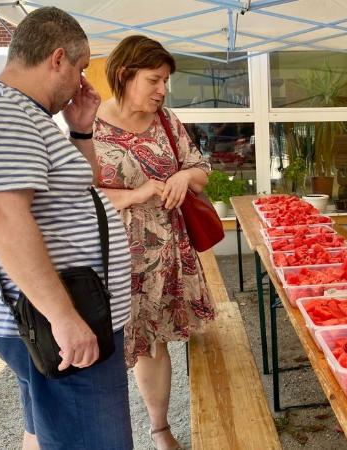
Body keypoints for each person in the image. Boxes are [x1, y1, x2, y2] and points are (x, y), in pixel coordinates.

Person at [0, 7, 133, 450]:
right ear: (57, 59)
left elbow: (79, 190)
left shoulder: (21, 114)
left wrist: (81, 131)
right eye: (82, 68)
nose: (82, 83)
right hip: (59, 317)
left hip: (61, 311)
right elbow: (4, 218)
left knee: (46, 430)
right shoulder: (0, 114)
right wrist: (64, 318)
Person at [93, 35, 215, 450]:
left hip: (168, 256)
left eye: (166, 81)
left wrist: (184, 176)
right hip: (113, 256)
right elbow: (76, 194)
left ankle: (159, 428)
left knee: (153, 341)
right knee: (108, 346)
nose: (163, 90)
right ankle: (105, 433)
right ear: (124, 75)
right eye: (154, 80)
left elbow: (201, 168)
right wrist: (134, 194)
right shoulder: (88, 126)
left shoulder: (168, 121)